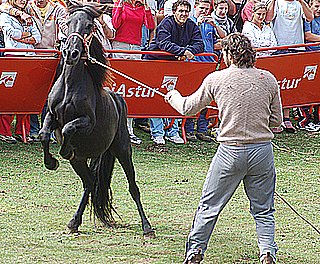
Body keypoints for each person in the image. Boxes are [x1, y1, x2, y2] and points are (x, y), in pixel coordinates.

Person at [165, 33, 282, 264]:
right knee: (263, 210)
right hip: (262, 152)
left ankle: (195, 252)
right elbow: (277, 122)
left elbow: (188, 108)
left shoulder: (216, 79)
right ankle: (267, 252)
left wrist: (173, 96)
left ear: (228, 54)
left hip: (230, 151)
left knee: (209, 206)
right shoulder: (268, 79)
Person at [145, 0, 204, 145]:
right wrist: (183, 51)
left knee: (179, 94)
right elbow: (163, 43)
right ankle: (157, 133)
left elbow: (200, 44)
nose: (183, 14)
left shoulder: (191, 25)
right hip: (156, 62)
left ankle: (173, 131)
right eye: (180, 11)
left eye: (186, 11)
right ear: (174, 12)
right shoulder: (166, 23)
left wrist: (188, 51)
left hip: (177, 65)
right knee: (157, 97)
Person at [112, 0, 155, 145]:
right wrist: (119, 5)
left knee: (130, 88)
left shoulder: (142, 7)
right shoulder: (121, 4)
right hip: (119, 45)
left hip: (136, 47)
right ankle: (114, 128)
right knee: (118, 86)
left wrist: (147, 7)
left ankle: (129, 130)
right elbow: (115, 24)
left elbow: (150, 25)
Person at [267, 0, 313, 133]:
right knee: (279, 84)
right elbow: (268, 18)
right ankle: (276, 118)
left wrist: (302, 1)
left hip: (297, 47)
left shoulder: (299, 4)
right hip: (279, 47)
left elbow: (310, 17)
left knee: (292, 83)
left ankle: (287, 118)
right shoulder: (277, 3)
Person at [0, 0, 41, 143]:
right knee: (10, 96)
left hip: (30, 58)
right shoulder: (5, 15)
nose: (22, 0)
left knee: (27, 97)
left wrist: (23, 37)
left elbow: (38, 37)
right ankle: (4, 131)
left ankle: (23, 131)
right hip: (14, 58)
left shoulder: (29, 16)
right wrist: (27, 36)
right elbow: (11, 33)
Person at [185, 0, 225, 142]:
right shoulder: (189, 21)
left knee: (208, 98)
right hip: (193, 63)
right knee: (193, 96)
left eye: (207, 9)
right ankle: (188, 129)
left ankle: (202, 129)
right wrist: (198, 24)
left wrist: (215, 25)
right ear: (195, 7)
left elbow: (223, 37)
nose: (204, 11)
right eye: (201, 8)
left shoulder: (211, 21)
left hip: (210, 63)